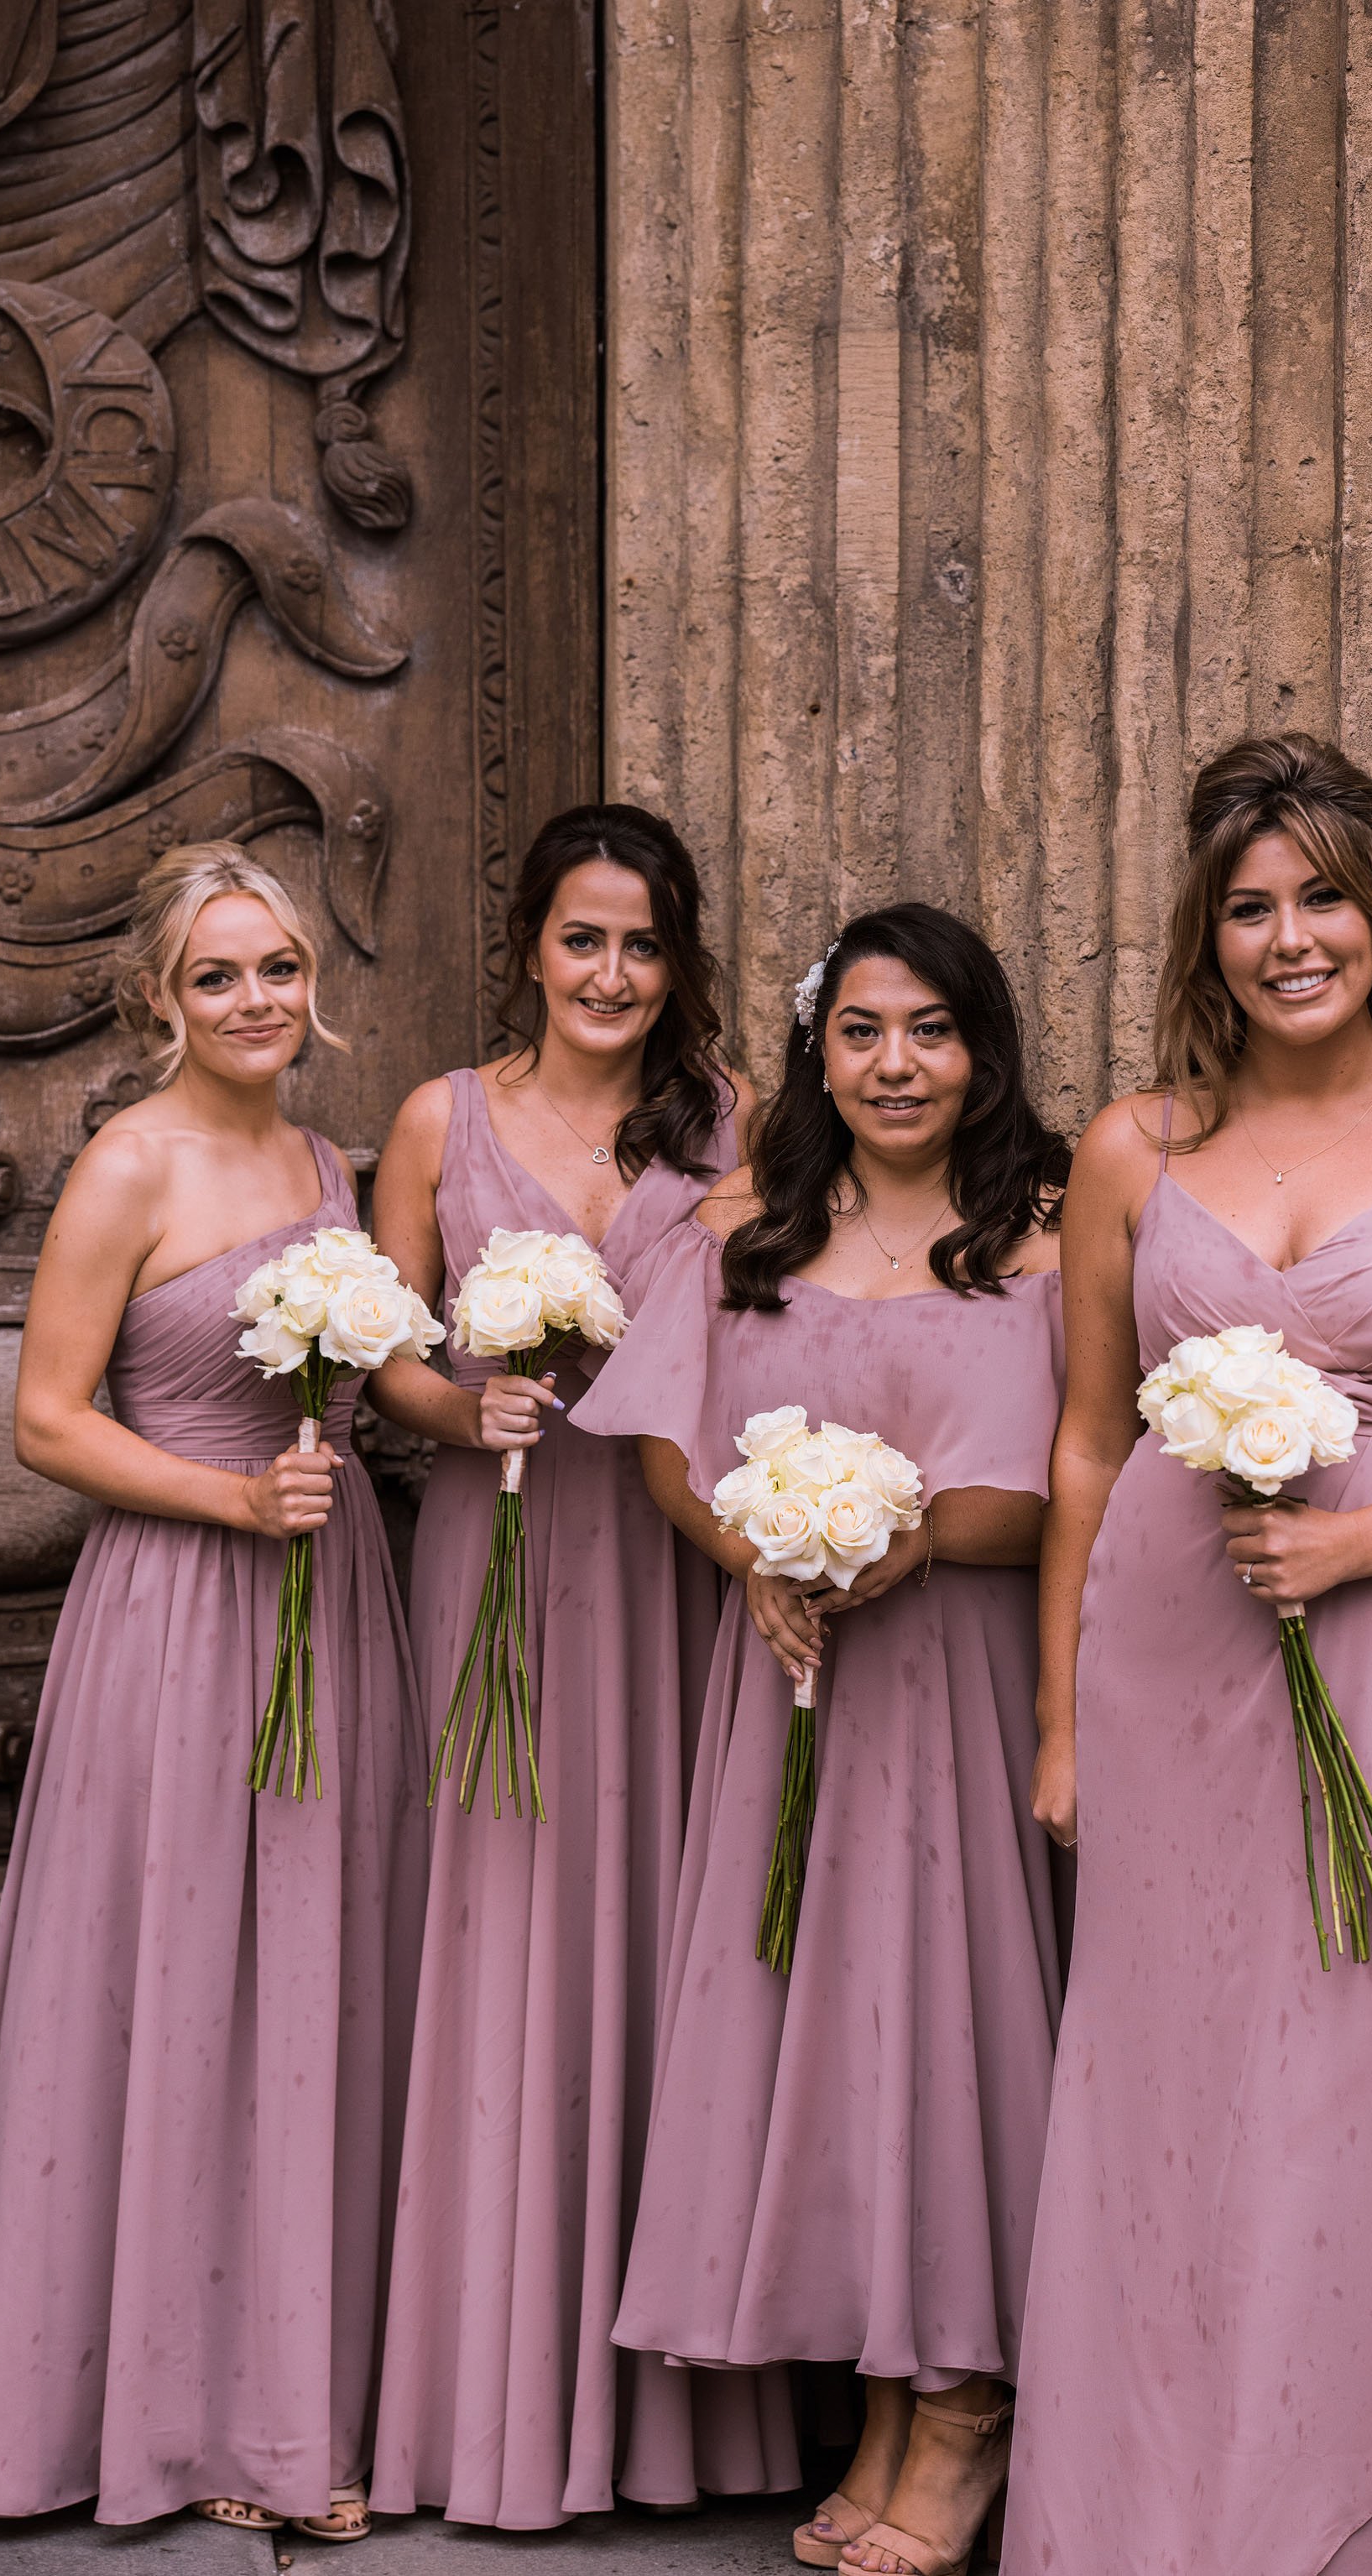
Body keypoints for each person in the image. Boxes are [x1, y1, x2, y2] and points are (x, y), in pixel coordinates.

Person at [1009, 733, 1372, 2575]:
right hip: (1173, 1670)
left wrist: (1354, 1540)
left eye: (1320, 894)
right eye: (1250, 906)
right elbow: (1091, 1443)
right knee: (1178, 2100)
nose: (1288, 937)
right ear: (1208, 932)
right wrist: (1059, 1719)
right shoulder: (1131, 1146)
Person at [0, 843, 428, 2542]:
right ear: (157, 998)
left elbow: (355, 1377)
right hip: (187, 1605)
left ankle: (288, 2386)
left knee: (306, 1986)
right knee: (183, 1982)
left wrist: (476, 1390)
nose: (257, 999)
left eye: (276, 966)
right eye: (219, 975)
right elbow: (48, 1418)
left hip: (329, 1599)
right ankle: (171, 2405)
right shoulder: (128, 1164)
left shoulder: (323, 1159)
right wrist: (230, 1500)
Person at [574, 902, 1070, 2576]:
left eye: (930, 1028)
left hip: (963, 1679)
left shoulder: (1051, 1240)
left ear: (982, 1050)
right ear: (817, 1050)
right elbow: (661, 1437)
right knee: (836, 2025)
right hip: (786, 1680)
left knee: (957, 2015)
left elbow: (1076, 1490)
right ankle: (883, 2390)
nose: (896, 1062)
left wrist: (911, 1541)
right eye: (861, 1029)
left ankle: (967, 2397)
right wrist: (753, 1552)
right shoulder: (747, 1227)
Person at [364, 803, 791, 2527]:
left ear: (675, 959)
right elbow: (382, 1347)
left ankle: (679, 2409)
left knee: (661, 1918)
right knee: (498, 1922)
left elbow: (794, 1315)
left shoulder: (735, 1124)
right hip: (499, 1551)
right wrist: (465, 1404)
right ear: (529, 944)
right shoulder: (434, 1120)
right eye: (580, 938)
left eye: (641, 943)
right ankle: (487, 2397)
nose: (610, 973)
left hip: (674, 1559)